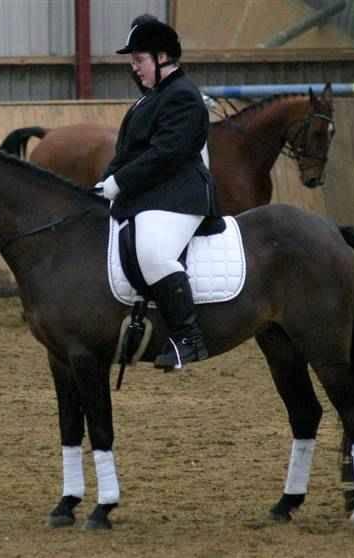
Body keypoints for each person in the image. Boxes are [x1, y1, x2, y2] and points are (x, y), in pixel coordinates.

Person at [95, 15, 218, 370]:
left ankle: (188, 338)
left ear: (162, 57)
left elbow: (166, 154)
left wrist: (123, 183)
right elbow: (127, 153)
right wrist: (106, 183)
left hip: (182, 195)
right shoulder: (151, 98)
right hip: (155, 192)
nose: (135, 69)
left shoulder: (183, 97)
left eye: (139, 61)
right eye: (133, 62)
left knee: (152, 251)